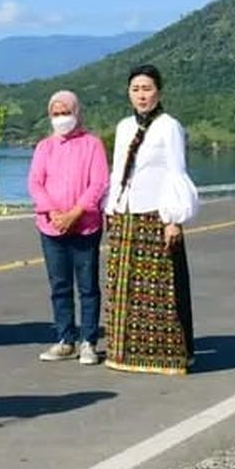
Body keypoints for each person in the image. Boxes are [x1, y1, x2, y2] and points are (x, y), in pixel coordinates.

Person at [104, 64, 199, 375]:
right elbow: (119, 170)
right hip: (126, 213)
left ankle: (172, 354)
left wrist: (173, 218)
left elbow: (176, 171)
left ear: (159, 91)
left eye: (147, 89)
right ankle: (124, 352)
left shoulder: (169, 126)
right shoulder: (123, 127)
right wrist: (112, 207)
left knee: (163, 288)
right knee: (124, 287)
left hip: (156, 213)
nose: (141, 95)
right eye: (136, 89)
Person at [27, 90, 110, 366]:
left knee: (87, 286)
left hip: (85, 226)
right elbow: (35, 183)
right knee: (59, 285)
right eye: (56, 113)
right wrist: (52, 211)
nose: (61, 118)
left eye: (66, 112)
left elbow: (99, 183)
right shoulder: (44, 147)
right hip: (51, 227)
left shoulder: (92, 144)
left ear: (77, 113)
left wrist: (76, 212)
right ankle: (65, 339)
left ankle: (89, 341)